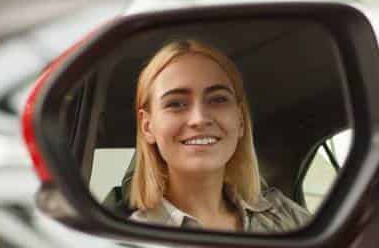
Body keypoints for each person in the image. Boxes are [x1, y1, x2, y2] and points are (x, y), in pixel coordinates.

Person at [127, 38, 311, 233]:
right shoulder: (131, 242)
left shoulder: (285, 216)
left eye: (218, 99)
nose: (199, 119)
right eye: (176, 104)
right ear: (147, 126)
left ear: (240, 120)